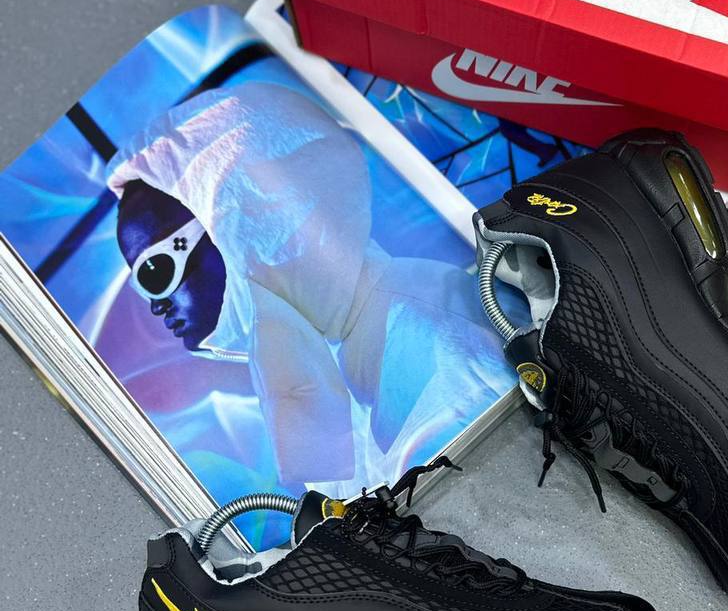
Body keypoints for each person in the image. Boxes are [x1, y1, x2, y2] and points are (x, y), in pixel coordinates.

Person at [109, 80, 507, 495]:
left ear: (246, 217)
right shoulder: (337, 357)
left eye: (153, 270)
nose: (155, 305)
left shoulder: (439, 350)